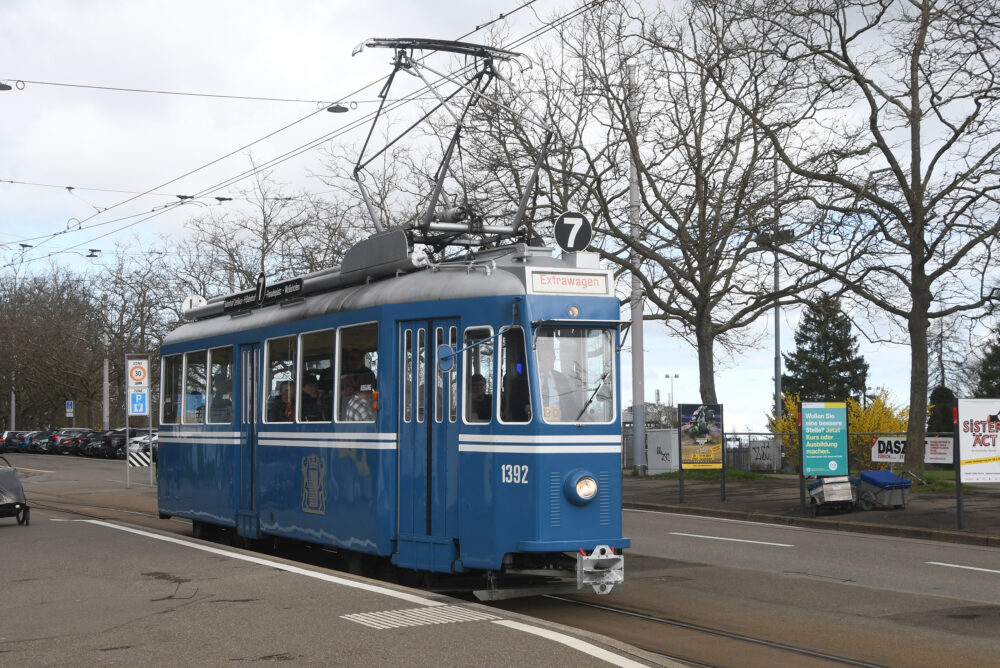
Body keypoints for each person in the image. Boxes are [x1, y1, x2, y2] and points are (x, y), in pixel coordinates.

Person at [536, 339, 581, 422]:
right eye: (541, 358)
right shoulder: (528, 379)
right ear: (537, 360)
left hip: (558, 425)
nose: (545, 361)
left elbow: (570, 403)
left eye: (548, 358)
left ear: (553, 359)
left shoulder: (561, 378)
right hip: (537, 423)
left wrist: (582, 415)